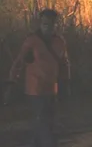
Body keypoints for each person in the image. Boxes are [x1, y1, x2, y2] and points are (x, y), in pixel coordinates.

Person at [8, 9, 71, 147]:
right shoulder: (32, 41)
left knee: (48, 121)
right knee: (43, 121)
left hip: (51, 89)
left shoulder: (59, 42)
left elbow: (64, 63)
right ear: (40, 24)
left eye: (51, 24)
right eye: (45, 24)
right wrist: (12, 81)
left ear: (56, 25)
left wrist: (66, 83)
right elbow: (19, 61)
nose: (48, 27)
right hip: (35, 90)